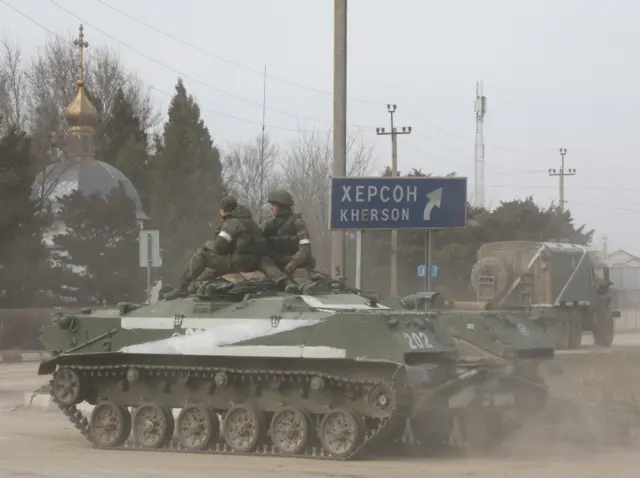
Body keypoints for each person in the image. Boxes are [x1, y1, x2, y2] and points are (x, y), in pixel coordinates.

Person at [162, 196, 267, 300]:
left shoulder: (232, 222)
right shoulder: (248, 222)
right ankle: (193, 288)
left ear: (222, 210)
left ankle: (182, 287)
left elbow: (219, 247)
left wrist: (208, 245)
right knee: (205, 276)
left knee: (201, 254)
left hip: (237, 262)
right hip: (246, 260)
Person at [261, 188, 316, 277]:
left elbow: (305, 249)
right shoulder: (271, 223)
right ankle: (280, 279)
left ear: (280, 206)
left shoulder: (297, 223)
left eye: (274, 205)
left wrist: (294, 263)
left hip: (293, 260)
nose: (271, 208)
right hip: (278, 259)